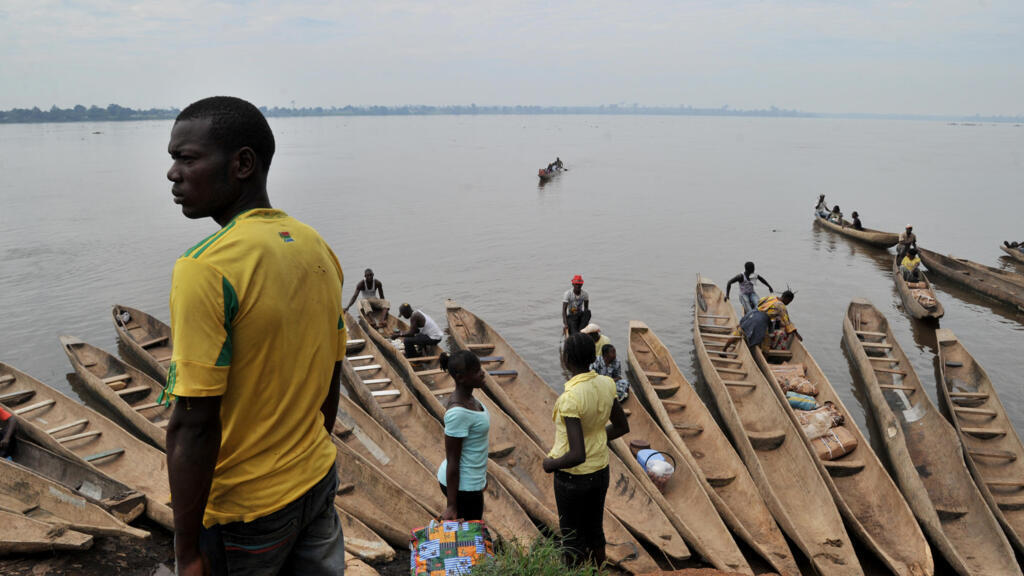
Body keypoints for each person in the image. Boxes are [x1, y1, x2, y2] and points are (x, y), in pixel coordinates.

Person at [164, 96, 346, 576]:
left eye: (187, 158)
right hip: (316, 478)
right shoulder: (315, 246)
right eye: (173, 159)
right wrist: (303, 458)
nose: (173, 174)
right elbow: (331, 375)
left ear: (243, 163)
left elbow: (193, 425)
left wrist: (187, 556)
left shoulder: (205, 267)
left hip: (245, 513)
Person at [543, 333, 629, 567]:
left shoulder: (570, 398)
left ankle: (573, 571)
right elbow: (622, 427)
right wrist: (599, 438)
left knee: (571, 536)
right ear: (593, 357)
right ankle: (598, 570)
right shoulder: (607, 384)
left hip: (573, 478)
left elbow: (577, 454)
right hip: (600, 471)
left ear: (566, 359)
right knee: (594, 528)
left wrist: (549, 464)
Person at [436, 351, 490, 521]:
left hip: (471, 482)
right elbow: (453, 460)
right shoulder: (458, 413)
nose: (482, 373)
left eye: (480, 368)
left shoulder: (470, 399)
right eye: (476, 371)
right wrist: (452, 505)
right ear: (460, 378)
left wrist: (481, 477)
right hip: (462, 488)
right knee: (470, 539)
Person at [726, 290, 802, 353]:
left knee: (739, 332)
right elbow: (787, 322)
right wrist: (796, 334)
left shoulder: (771, 297)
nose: (788, 303)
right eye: (789, 302)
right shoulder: (781, 306)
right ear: (787, 299)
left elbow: (759, 303)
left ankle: (724, 349)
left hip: (752, 314)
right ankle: (765, 360)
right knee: (766, 344)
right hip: (760, 320)